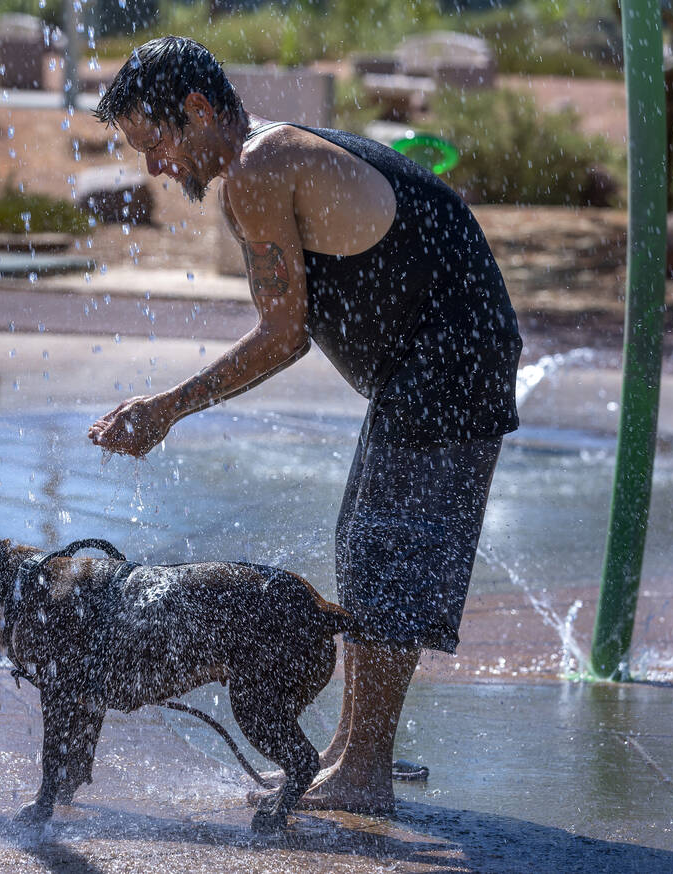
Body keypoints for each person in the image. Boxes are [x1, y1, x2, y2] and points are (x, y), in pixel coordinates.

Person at [87, 36, 522, 815]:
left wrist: (164, 410)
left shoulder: (257, 171)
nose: (155, 167)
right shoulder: (268, 155)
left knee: (391, 557)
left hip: (451, 353)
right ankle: (351, 751)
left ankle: (367, 771)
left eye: (155, 144)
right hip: (443, 353)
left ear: (196, 110)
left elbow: (282, 334)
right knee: (365, 544)